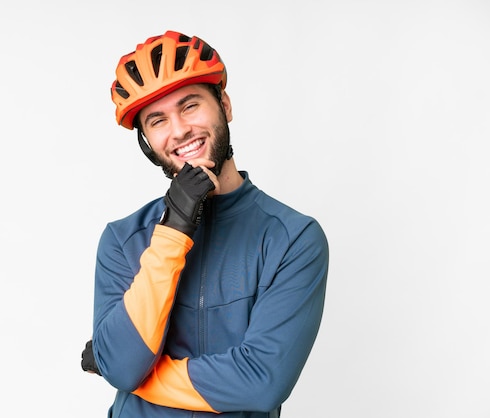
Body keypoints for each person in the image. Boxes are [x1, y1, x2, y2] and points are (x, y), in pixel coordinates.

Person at [81, 30, 329, 417]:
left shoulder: (292, 238)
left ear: (225, 105)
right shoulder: (122, 239)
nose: (179, 130)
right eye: (157, 120)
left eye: (190, 106)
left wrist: (135, 376)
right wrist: (172, 231)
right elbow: (123, 366)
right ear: (147, 141)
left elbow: (261, 383)